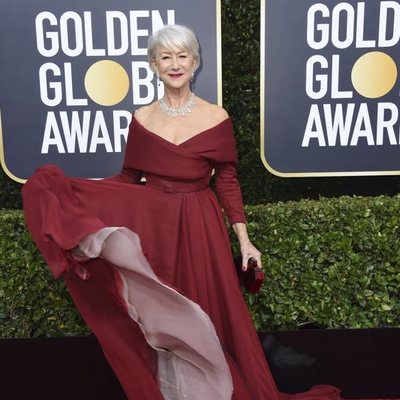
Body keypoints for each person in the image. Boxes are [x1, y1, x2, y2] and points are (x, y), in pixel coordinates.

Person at [22, 25, 343, 400]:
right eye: (165, 57)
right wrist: (77, 194)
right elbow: (127, 179)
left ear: (195, 62)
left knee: (206, 312)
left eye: (182, 56)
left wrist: (245, 240)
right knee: (167, 315)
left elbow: (226, 182)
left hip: (200, 225)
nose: (175, 64)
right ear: (154, 65)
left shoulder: (216, 117)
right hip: (157, 229)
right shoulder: (142, 119)